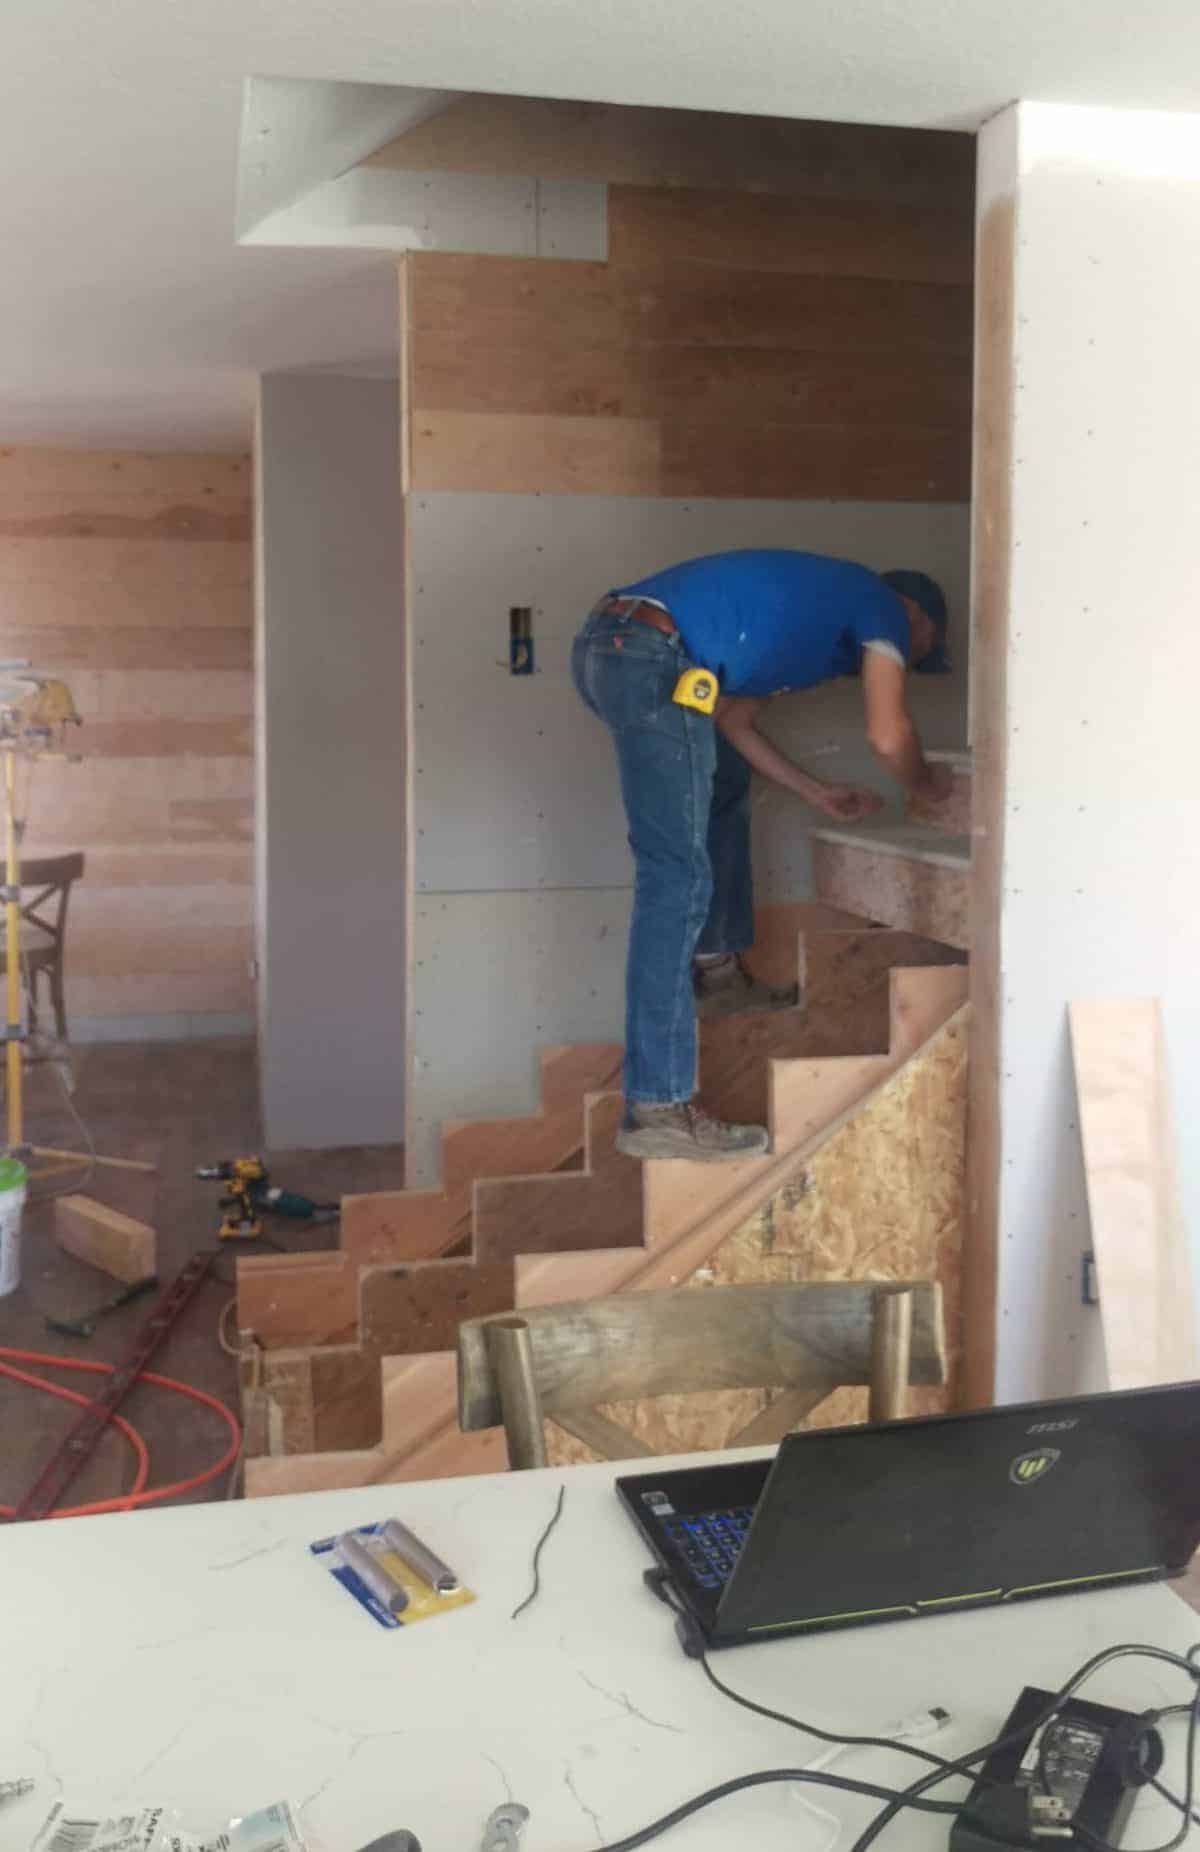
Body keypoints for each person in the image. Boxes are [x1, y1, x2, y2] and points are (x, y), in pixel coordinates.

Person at [571, 548, 956, 1163]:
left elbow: (735, 721)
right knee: (675, 876)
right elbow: (889, 736)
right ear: (914, 613)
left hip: (624, 649)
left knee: (723, 785)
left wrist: (816, 792)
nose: (907, 661)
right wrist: (930, 787)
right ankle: (657, 1105)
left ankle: (719, 972)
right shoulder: (878, 602)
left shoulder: (802, 635)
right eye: (919, 647)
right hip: (649, 653)